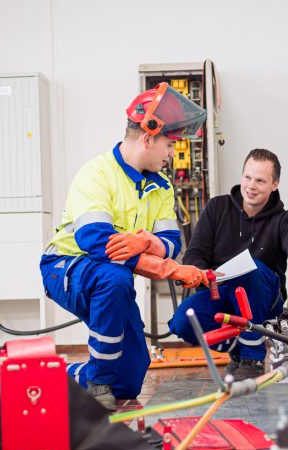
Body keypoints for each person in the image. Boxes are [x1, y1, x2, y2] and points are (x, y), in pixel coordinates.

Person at [40, 83, 209, 410]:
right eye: (170, 144)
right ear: (148, 137)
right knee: (114, 278)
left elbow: (173, 244)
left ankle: (50, 375)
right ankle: (98, 384)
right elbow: (97, 243)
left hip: (111, 274)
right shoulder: (96, 174)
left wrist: (146, 240)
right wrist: (168, 267)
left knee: (131, 376)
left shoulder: (162, 188)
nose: (172, 154)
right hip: (66, 267)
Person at [168, 148, 288, 380]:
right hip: (219, 292)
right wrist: (201, 274)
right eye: (247, 177)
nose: (251, 186)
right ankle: (238, 351)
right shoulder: (216, 208)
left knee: (252, 269)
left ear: (275, 184)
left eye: (260, 180)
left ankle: (253, 357)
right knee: (183, 320)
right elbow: (195, 254)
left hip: (264, 297)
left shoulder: (283, 221)